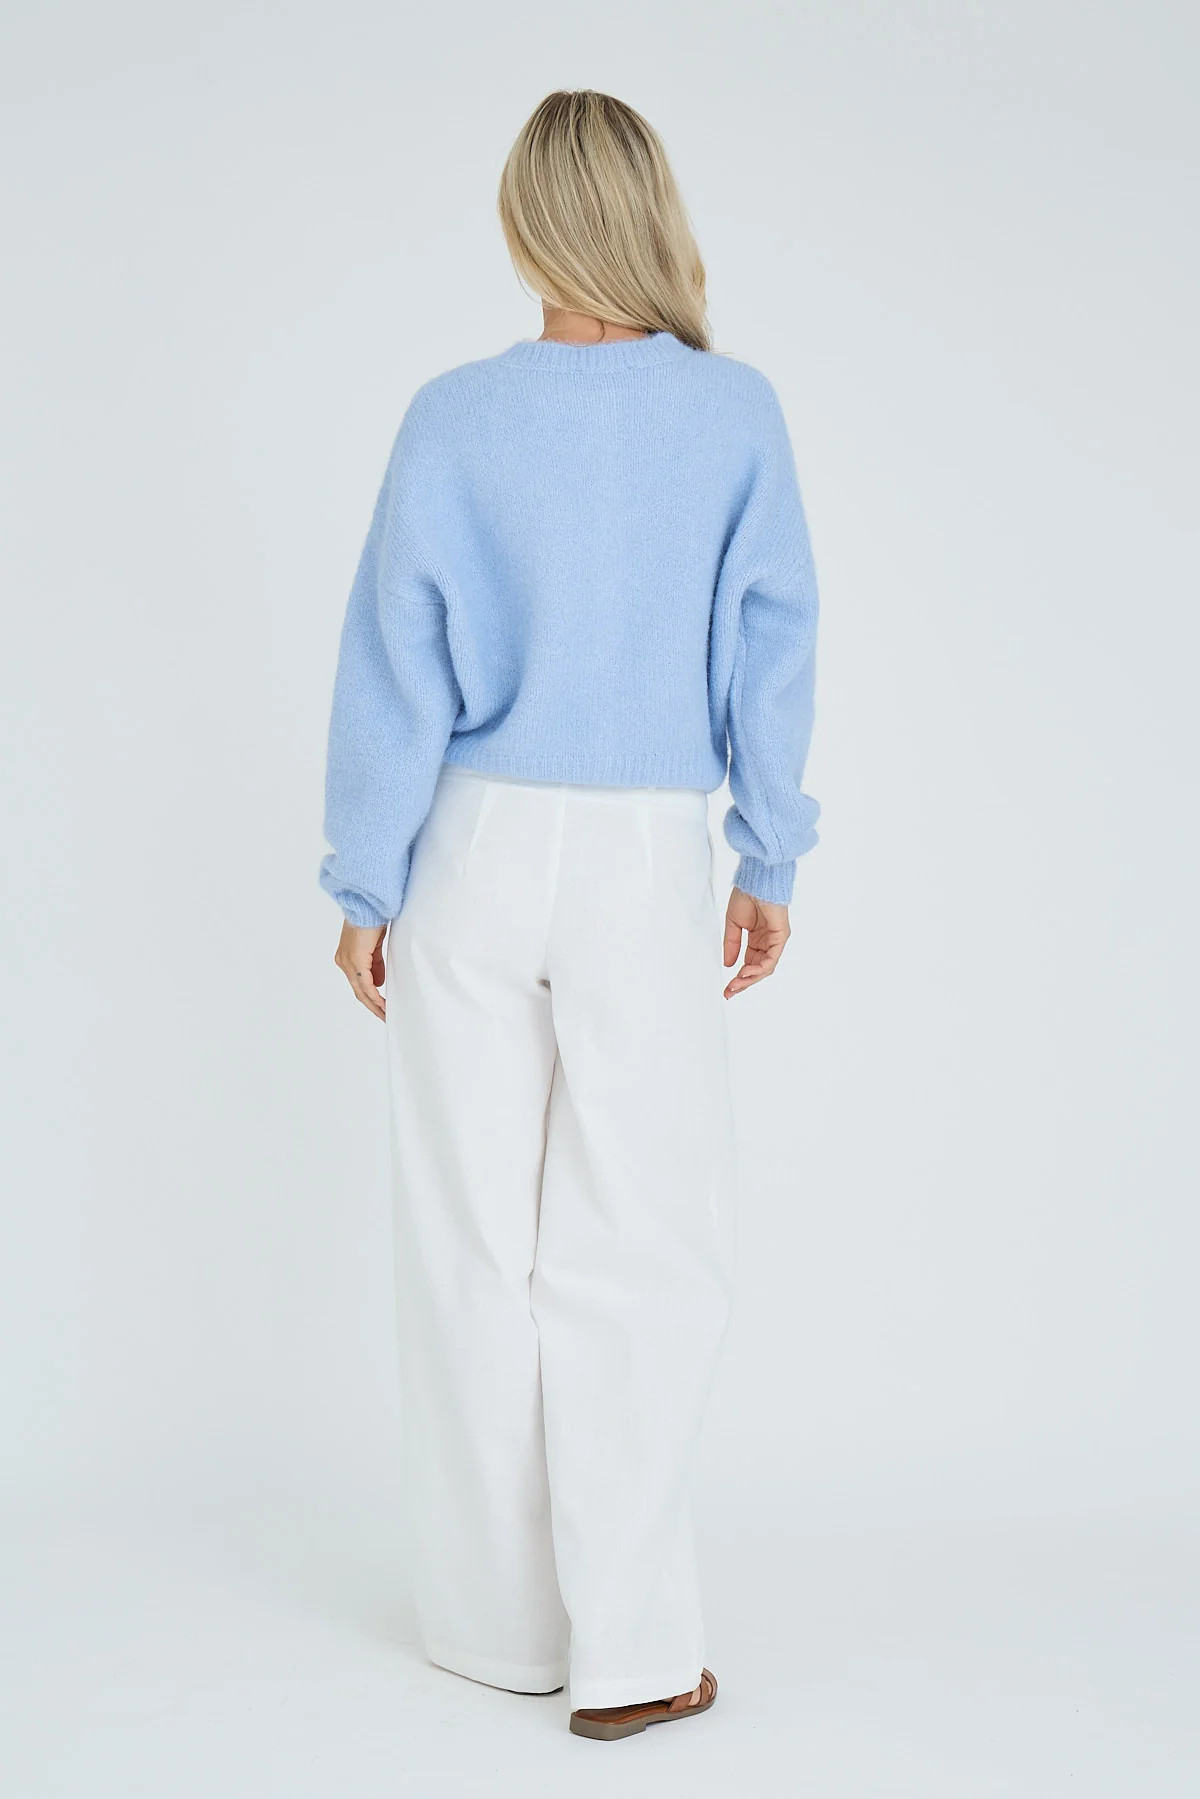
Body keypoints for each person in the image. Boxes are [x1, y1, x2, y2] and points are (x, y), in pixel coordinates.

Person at [319, 88, 819, 1741]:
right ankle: (635, 1651)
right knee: (639, 1243)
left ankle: (495, 1632)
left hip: (469, 845)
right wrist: (767, 854)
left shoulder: (454, 416)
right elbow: (774, 641)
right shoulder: (732, 413)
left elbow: (394, 657)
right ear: (651, 210)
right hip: (639, 861)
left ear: (526, 219)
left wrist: (368, 877)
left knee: (468, 1241)